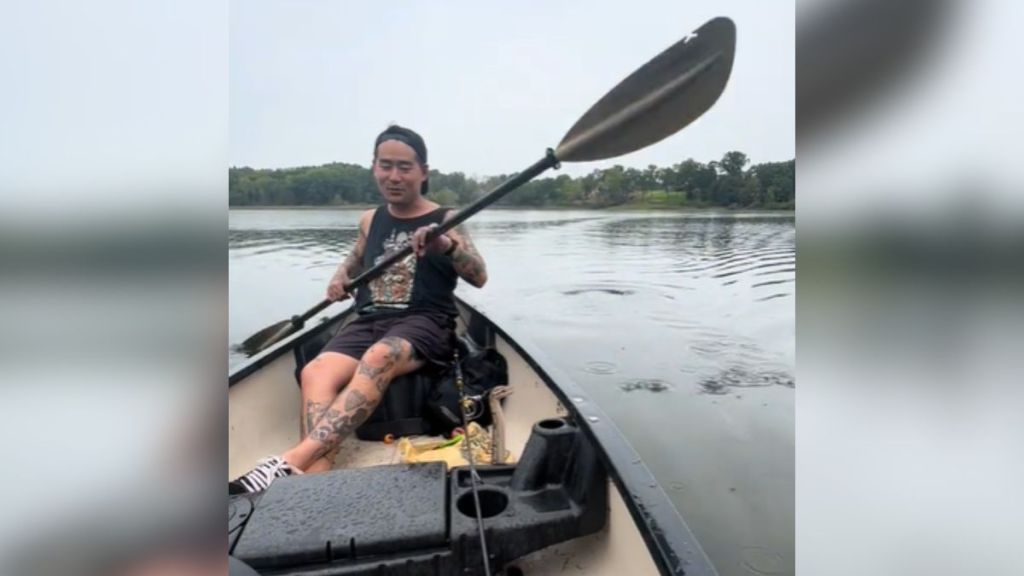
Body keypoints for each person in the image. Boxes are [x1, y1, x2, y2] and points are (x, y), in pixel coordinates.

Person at [230, 125, 488, 494]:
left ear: (423, 173)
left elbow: (479, 276)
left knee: (380, 355)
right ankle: (315, 478)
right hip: (370, 318)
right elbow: (353, 261)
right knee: (315, 370)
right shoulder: (370, 219)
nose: (394, 176)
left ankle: (287, 463)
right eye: (386, 166)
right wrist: (339, 278)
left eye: (404, 167)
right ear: (374, 167)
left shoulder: (446, 219)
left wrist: (446, 245)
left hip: (425, 322)